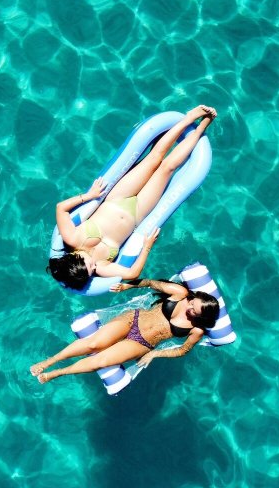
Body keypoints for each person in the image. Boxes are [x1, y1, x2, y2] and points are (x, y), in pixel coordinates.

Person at [48, 105, 217, 291]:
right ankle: (201, 128)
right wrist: (147, 247)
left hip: (118, 197)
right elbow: (132, 274)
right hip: (138, 212)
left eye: (89, 265)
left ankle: (189, 118)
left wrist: (89, 196)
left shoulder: (72, 238)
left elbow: (60, 208)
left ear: (75, 258)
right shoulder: (101, 268)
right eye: (91, 272)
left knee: (155, 158)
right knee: (167, 168)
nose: (94, 267)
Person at [30, 278, 220, 384]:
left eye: (195, 311)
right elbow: (150, 283)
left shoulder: (197, 330)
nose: (190, 308)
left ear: (202, 317)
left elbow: (182, 350)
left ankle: (57, 373)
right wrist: (127, 286)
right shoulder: (180, 294)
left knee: (100, 361)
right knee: (94, 344)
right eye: (193, 303)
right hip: (133, 320)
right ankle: (50, 361)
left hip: (142, 343)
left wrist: (155, 354)